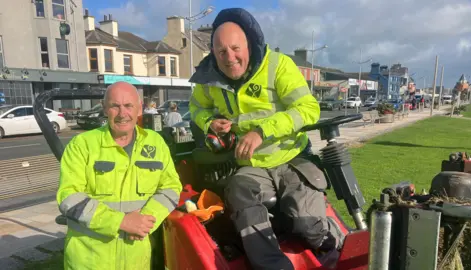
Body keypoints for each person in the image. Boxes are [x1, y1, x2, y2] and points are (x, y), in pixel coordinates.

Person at [189, 8, 343, 270]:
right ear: (213, 52)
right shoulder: (208, 79)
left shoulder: (278, 65)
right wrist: (209, 122)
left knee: (308, 226)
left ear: (248, 43)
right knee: (239, 192)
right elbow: (196, 108)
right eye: (221, 51)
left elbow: (308, 109)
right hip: (250, 166)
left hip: (290, 158)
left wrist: (261, 132)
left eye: (235, 48)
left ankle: (334, 239)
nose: (229, 58)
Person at [57, 81, 182, 270]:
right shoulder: (82, 145)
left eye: (129, 106)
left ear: (140, 109)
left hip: (136, 260)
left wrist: (145, 220)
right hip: (89, 261)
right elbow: (69, 197)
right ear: (105, 108)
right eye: (115, 106)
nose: (123, 113)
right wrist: (121, 222)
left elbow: (171, 188)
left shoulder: (156, 143)